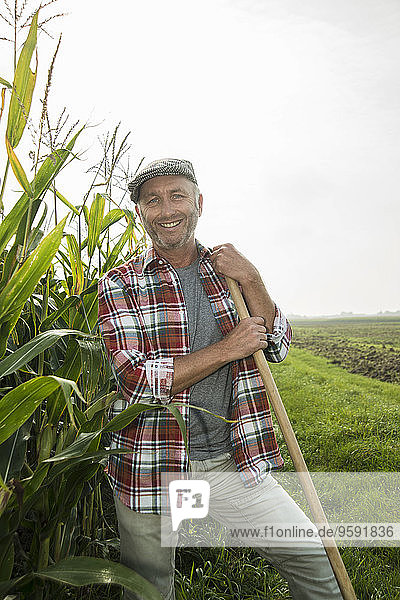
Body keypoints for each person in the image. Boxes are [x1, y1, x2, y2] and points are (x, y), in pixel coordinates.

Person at [97, 158, 342, 600]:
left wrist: (252, 278)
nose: (166, 209)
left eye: (177, 196)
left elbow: (277, 342)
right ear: (141, 213)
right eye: (152, 200)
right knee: (149, 590)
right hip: (151, 463)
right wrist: (230, 347)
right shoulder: (121, 281)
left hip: (228, 462)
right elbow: (136, 380)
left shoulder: (227, 271)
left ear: (199, 204)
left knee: (311, 556)